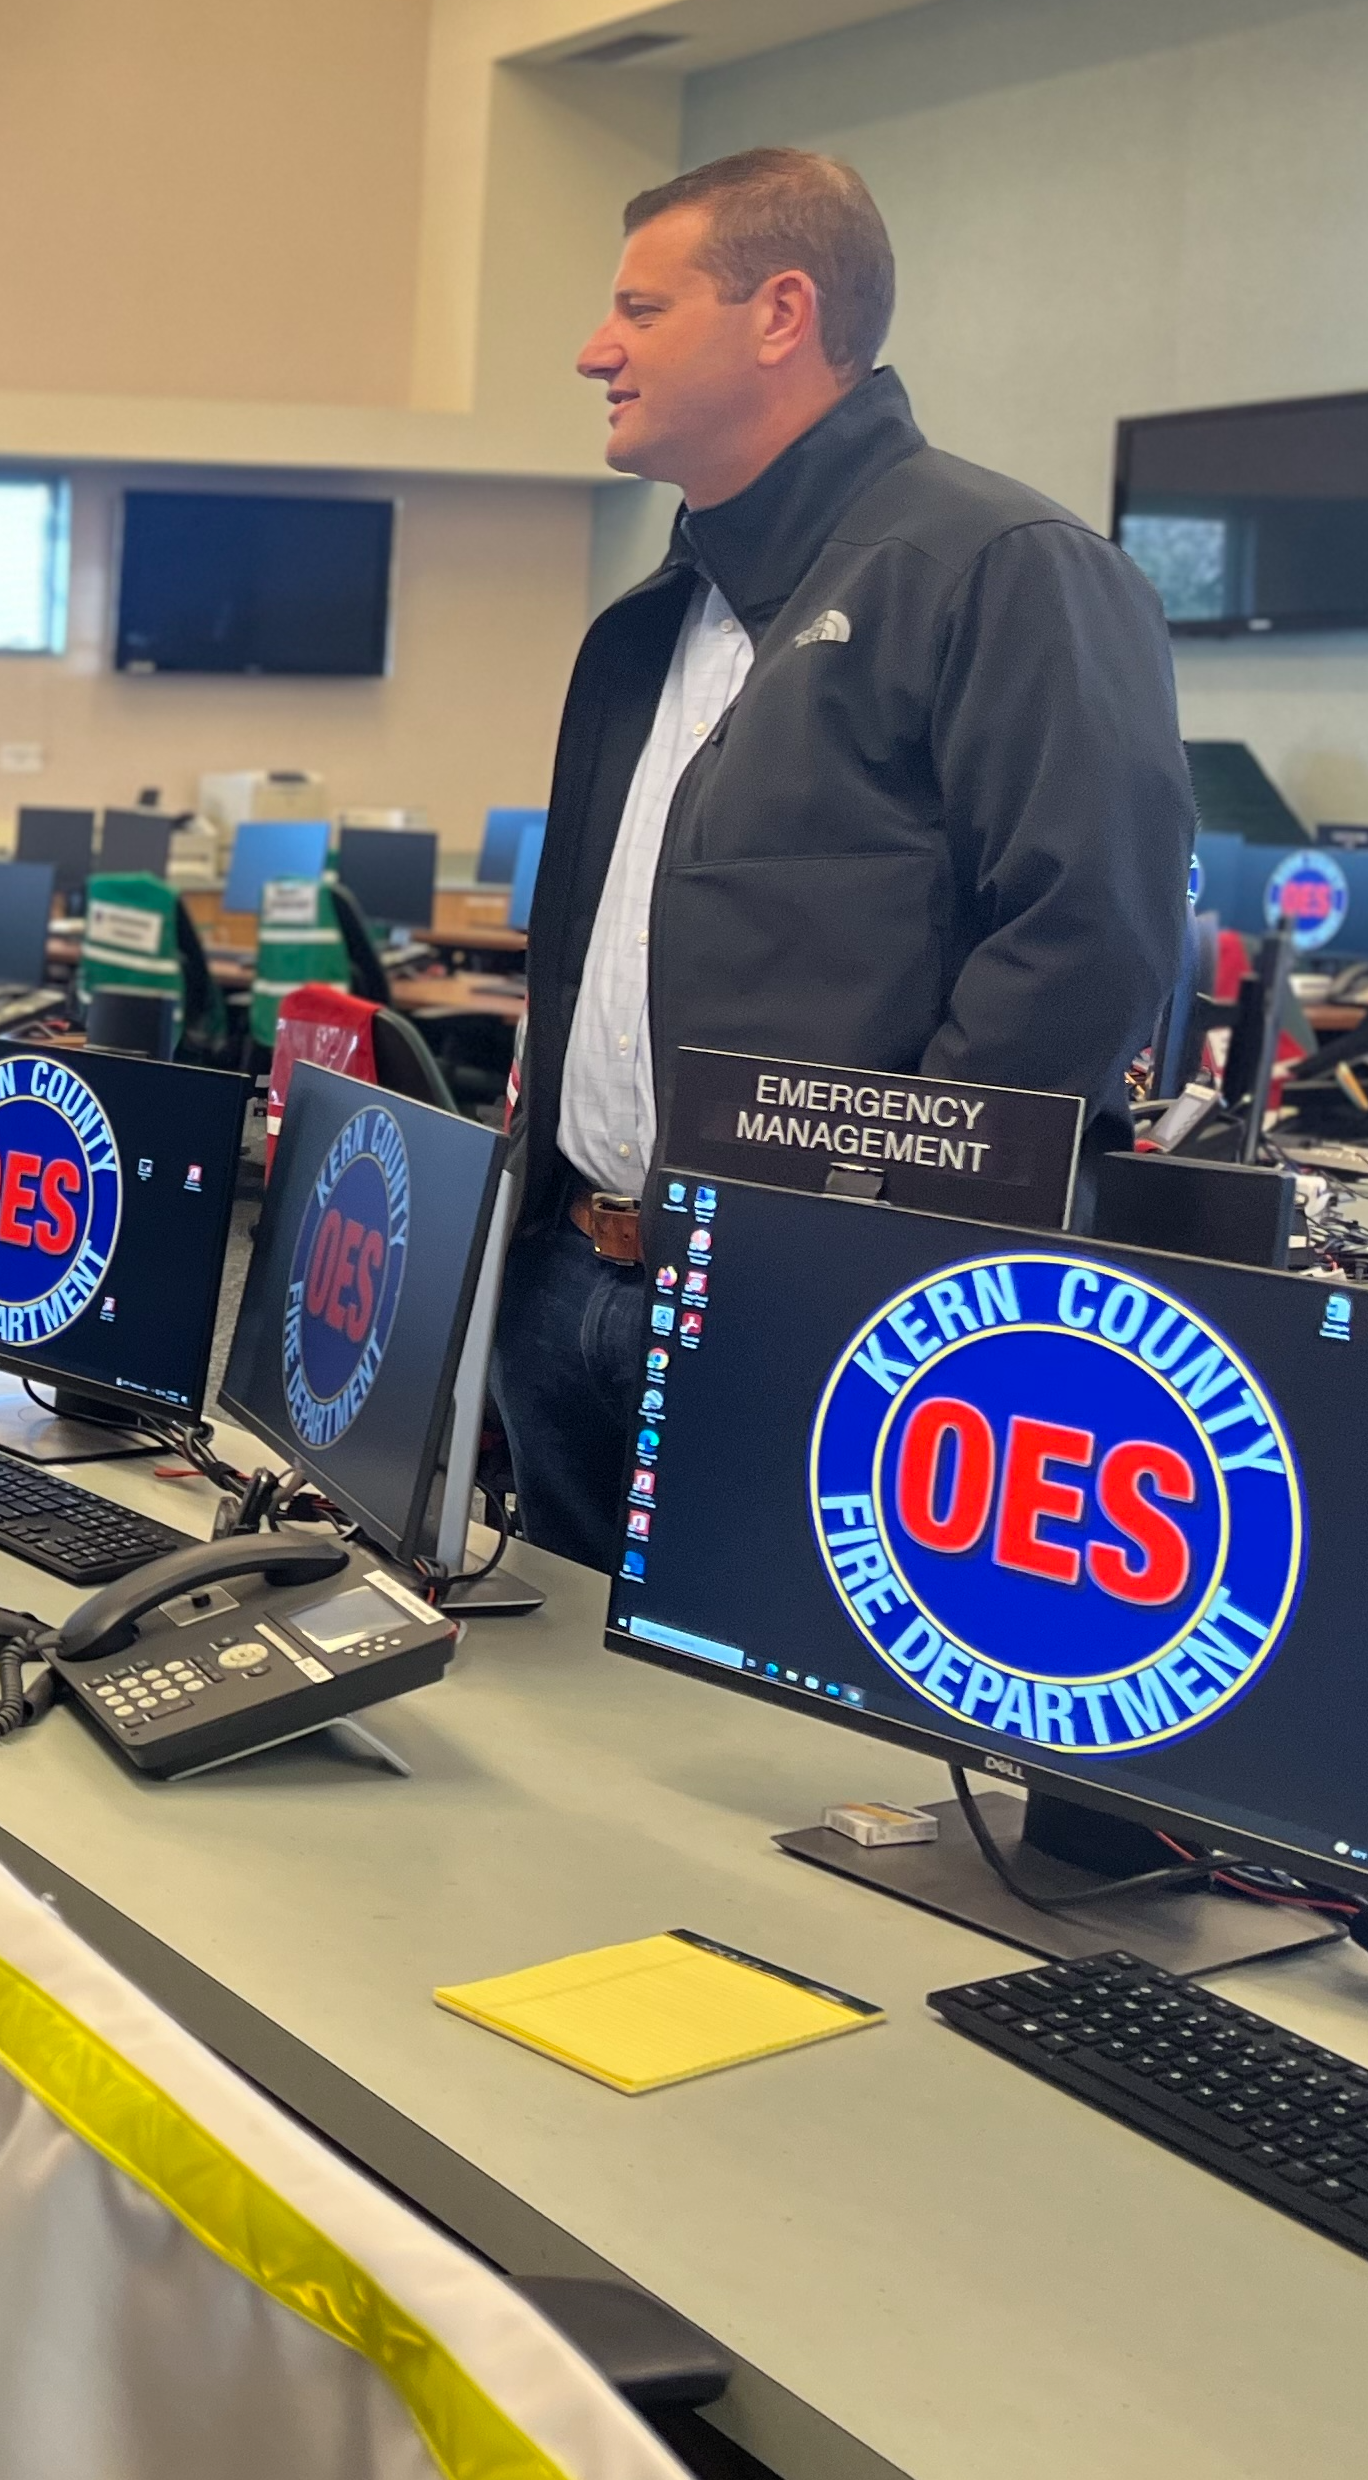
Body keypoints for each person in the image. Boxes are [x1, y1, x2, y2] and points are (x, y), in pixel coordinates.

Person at [498, 147, 1189, 1570]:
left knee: (768, 1783)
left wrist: (880, 1253)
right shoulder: (662, 613)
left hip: (818, 1323)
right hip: (573, 1283)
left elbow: (1088, 940)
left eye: (639, 307)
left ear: (781, 313)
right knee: (550, 1757)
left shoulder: (1005, 563)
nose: (593, 350)